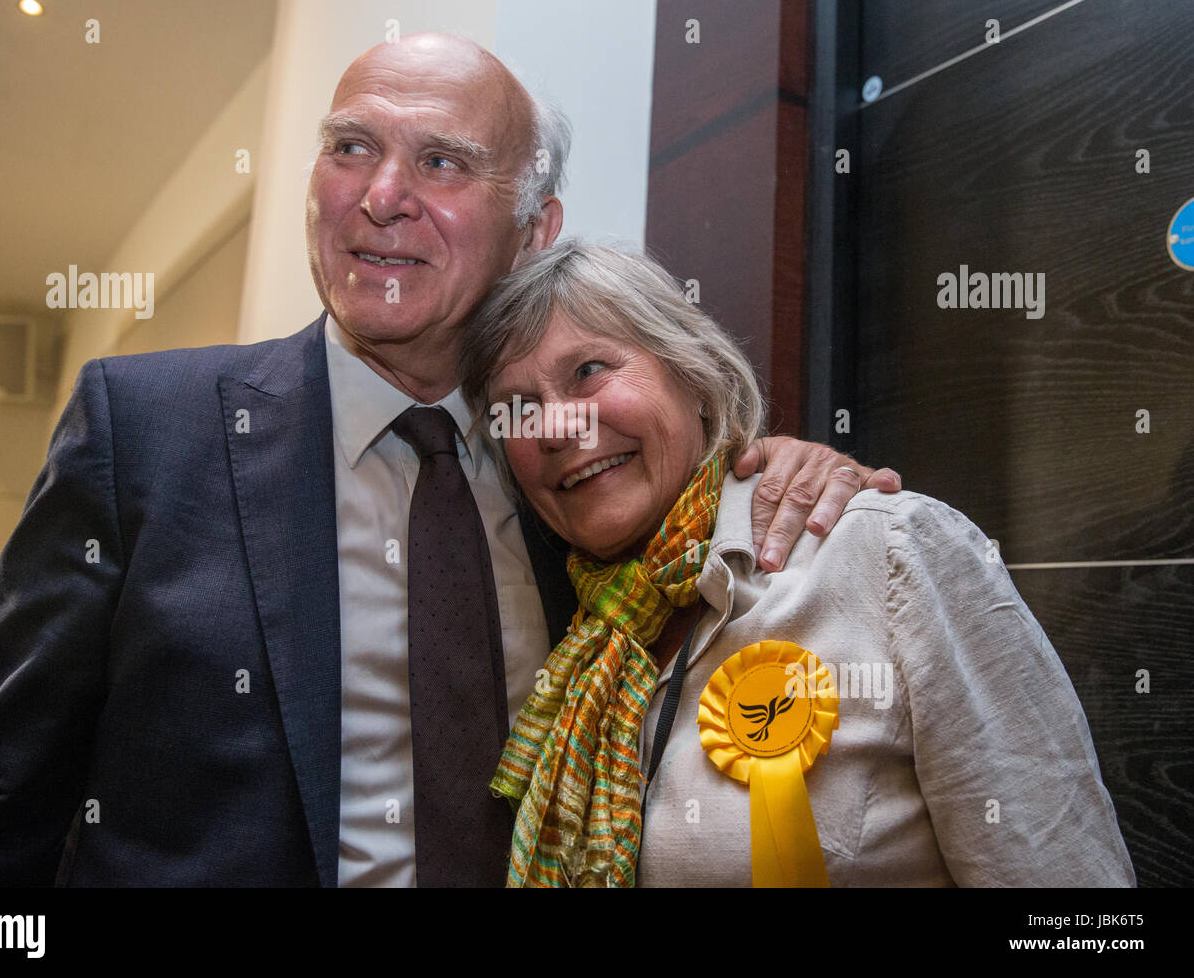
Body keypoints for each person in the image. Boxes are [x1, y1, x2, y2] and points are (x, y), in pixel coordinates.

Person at [0, 34, 897, 887]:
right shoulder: (144, 431)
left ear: (535, 229)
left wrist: (786, 473)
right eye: (351, 148)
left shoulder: (579, 478)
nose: (381, 197)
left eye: (444, 163)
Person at [461, 240, 1135, 887]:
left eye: (588, 371)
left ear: (696, 373)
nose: (555, 428)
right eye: (518, 409)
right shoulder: (573, 651)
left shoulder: (888, 555)